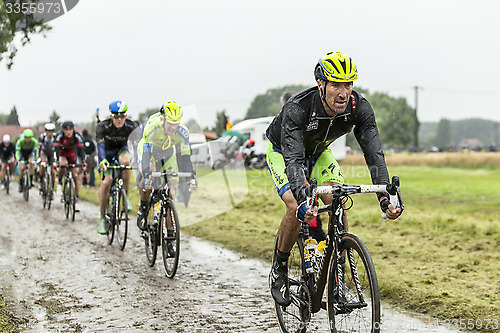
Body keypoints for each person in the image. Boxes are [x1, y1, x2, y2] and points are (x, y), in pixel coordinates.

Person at [266, 51, 402, 306]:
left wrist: (385, 198)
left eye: (348, 84)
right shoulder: (298, 108)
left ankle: (337, 282)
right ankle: (279, 269)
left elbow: (374, 155)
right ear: (321, 84)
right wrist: (304, 198)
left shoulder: (358, 107)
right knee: (296, 206)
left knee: (337, 197)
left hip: (319, 152)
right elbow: (294, 162)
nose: (343, 92)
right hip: (283, 152)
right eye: (336, 85)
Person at [136, 101, 197, 254]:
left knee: (171, 190)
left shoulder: (183, 132)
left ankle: (170, 236)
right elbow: (146, 156)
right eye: (170, 123)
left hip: (167, 154)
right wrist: (147, 173)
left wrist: (190, 176)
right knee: (147, 177)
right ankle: (143, 208)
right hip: (149, 152)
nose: (173, 127)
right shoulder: (152, 127)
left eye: (176, 123)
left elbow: (185, 159)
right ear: (163, 119)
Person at [96, 100, 138, 234]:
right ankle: (102, 217)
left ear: (125, 116)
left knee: (126, 162)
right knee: (106, 182)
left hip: (121, 151)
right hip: (106, 155)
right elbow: (100, 145)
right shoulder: (103, 126)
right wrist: (102, 161)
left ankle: (125, 195)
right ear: (111, 116)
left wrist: (139, 160)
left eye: (122, 116)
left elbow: (138, 145)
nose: (119, 119)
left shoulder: (131, 126)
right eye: (116, 116)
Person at [54, 121, 85, 211]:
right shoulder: (59, 136)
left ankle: (76, 200)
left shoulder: (77, 136)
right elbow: (56, 149)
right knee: (63, 164)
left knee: (75, 176)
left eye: (70, 129)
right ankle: (60, 182)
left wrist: (83, 162)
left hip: (72, 155)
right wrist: (57, 160)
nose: (69, 132)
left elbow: (81, 150)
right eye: (66, 130)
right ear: (63, 130)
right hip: (63, 154)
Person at [37, 123, 56, 192]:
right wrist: (38, 158)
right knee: (43, 164)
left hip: (52, 153)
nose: (49, 133)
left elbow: (57, 148)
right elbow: (39, 148)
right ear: (45, 132)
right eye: (48, 131)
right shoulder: (42, 137)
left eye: (51, 131)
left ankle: (52, 188)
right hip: (44, 152)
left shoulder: (55, 137)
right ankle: (41, 180)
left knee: (53, 172)